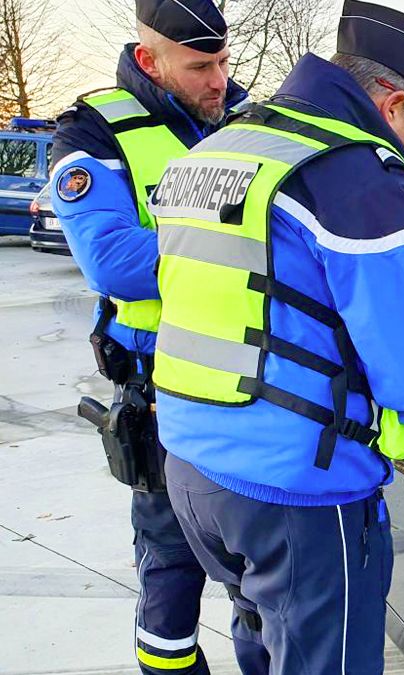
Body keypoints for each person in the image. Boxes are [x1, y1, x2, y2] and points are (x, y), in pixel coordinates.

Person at [151, 2, 404, 672]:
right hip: (299, 496)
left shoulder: (224, 143)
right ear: (393, 103)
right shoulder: (353, 177)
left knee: (262, 644)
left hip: (194, 467)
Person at [51, 1, 250, 672]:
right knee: (170, 585)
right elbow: (114, 261)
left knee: (260, 587)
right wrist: (244, 245)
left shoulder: (249, 120)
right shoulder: (95, 134)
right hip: (164, 402)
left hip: (259, 395)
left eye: (224, 61)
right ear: (148, 60)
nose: (219, 80)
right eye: (200, 66)